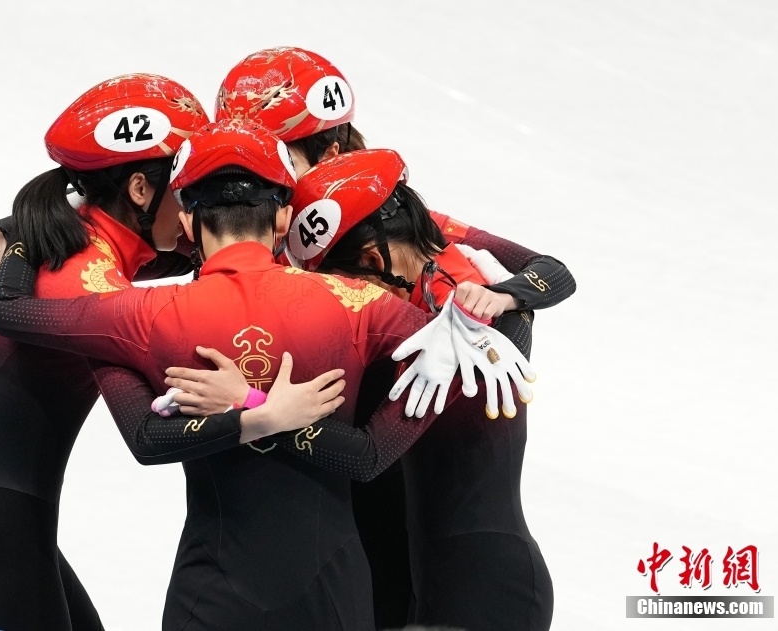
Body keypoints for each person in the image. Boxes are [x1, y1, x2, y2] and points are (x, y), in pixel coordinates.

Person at [0, 120, 523, 630]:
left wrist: (29, 226)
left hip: (211, 596)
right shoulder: (359, 304)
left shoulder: (141, 314)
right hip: (334, 597)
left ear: (189, 224)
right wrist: (502, 303)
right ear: (284, 220)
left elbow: (6, 310)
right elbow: (372, 453)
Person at [0, 75, 342, 631]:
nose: (194, 205)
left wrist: (10, 228)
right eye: (186, 188)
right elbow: (147, 431)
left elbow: (220, 251)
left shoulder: (78, 241)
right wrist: (259, 411)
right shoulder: (87, 281)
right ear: (140, 189)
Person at [205, 45, 577, 628]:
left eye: (275, 157)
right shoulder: (317, 227)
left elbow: (547, 271)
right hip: (398, 554)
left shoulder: (390, 232)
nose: (257, 176)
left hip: (441, 557)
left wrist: (507, 300)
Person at [285, 148, 568, 631]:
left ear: (373, 260)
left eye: (344, 287)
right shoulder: (434, 275)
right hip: (442, 580)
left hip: (484, 588)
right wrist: (514, 305)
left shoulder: (452, 339)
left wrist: (249, 409)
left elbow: (367, 455)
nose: (347, 305)